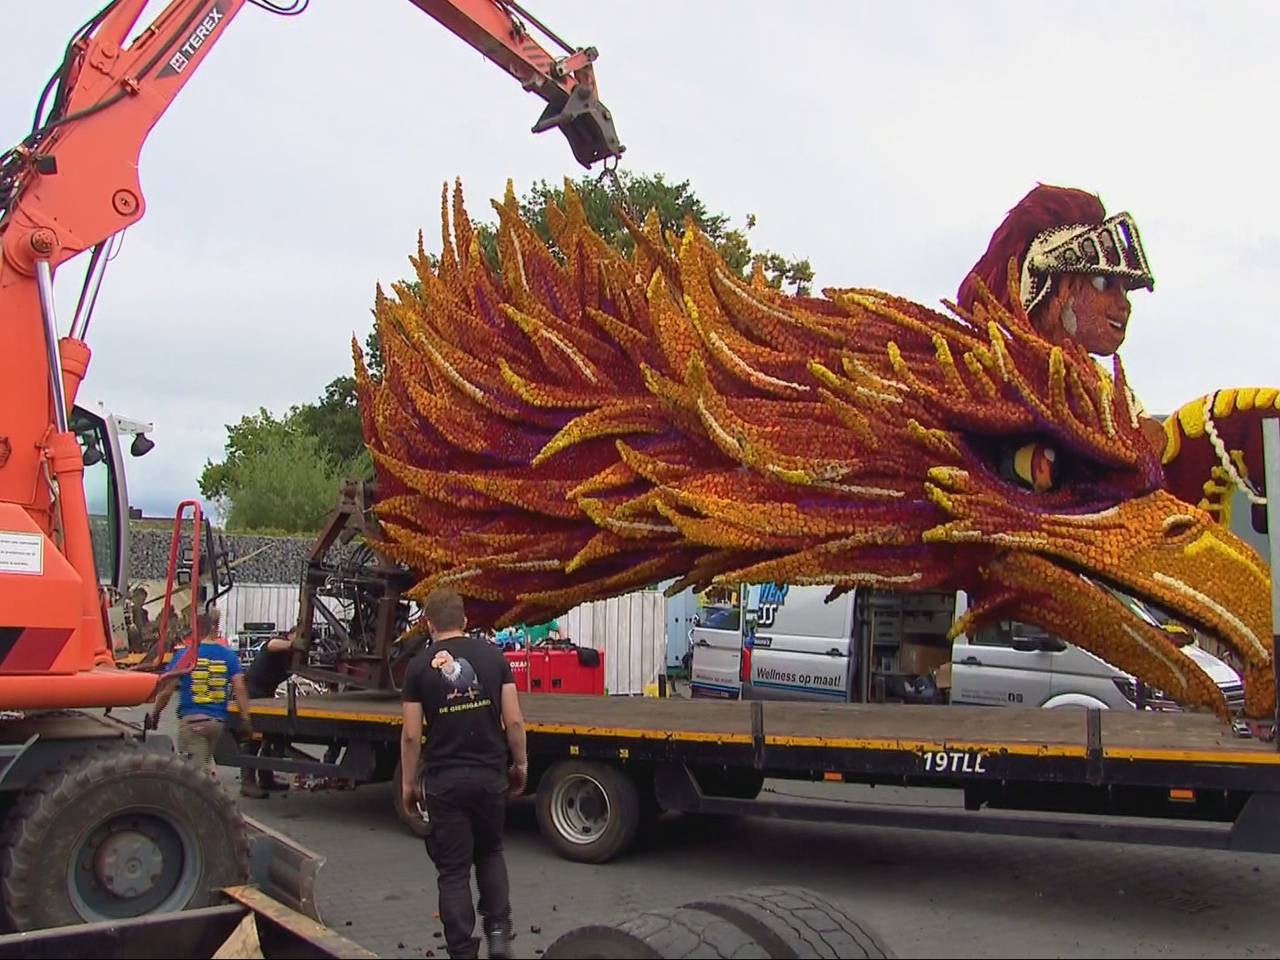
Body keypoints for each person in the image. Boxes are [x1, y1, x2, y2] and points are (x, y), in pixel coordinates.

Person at [401, 588, 527, 960]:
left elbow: (410, 734)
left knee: (454, 870)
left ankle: (461, 950)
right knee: (490, 851)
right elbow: (515, 721)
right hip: (490, 775)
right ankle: (499, 934)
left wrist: (409, 785)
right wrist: (519, 766)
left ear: (428, 624)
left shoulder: (419, 666)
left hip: (444, 779)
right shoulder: (493, 657)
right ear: (465, 621)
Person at [150, 611, 253, 772]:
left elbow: (166, 691)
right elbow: (239, 688)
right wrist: (245, 718)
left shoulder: (185, 655)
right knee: (205, 764)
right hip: (216, 724)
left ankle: (208, 795)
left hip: (193, 723)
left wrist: (155, 714)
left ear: (196, 628)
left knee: (192, 776)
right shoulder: (228, 656)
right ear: (215, 629)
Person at [238, 629, 297, 797]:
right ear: (289, 635)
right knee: (252, 740)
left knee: (270, 738)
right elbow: (271, 645)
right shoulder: (278, 643)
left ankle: (266, 778)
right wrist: (294, 644)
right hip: (252, 695)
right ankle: (247, 783)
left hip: (266, 697)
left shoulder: (289, 657)